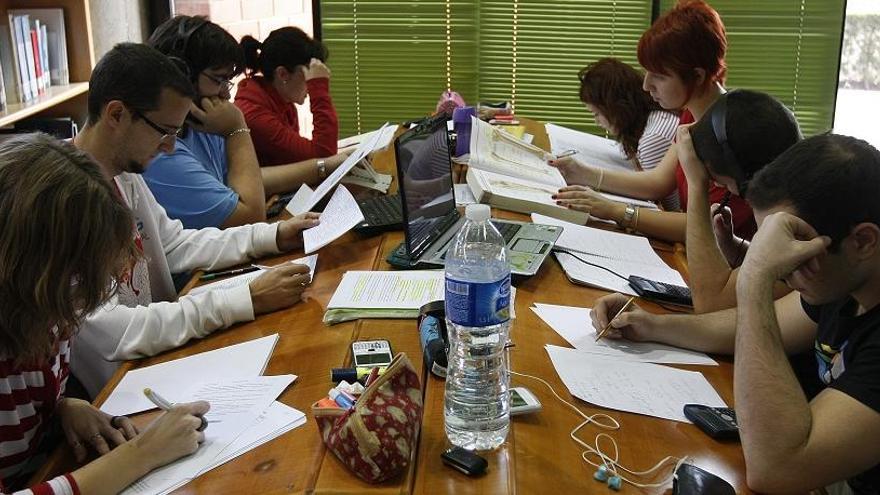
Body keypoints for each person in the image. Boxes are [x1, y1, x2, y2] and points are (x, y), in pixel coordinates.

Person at [591, 134, 880, 494]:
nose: (785, 270)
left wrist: (756, 279)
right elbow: (748, 325)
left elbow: (775, 469)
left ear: (864, 242)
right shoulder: (843, 284)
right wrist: (651, 325)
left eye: (795, 253)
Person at [71, 42, 319, 397]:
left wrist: (273, 236)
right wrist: (244, 299)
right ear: (116, 115)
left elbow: (175, 244)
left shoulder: (124, 174)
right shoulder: (64, 204)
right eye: (164, 131)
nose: (170, 147)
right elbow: (115, 330)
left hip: (155, 361)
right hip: (121, 392)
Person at [0, 132, 209, 494]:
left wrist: (60, 409)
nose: (78, 308)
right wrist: (143, 453)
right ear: (33, 269)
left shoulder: (42, 311)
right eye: (76, 279)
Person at [552, 0, 755, 243]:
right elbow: (657, 182)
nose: (646, 85)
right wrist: (583, 173)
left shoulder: (736, 131)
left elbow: (707, 225)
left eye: (659, 76)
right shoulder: (694, 112)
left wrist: (616, 211)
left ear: (697, 75)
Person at [143, 16, 350, 229]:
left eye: (228, 81)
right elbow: (250, 217)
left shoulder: (201, 124)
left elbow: (243, 179)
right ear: (180, 75)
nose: (226, 94)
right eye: (218, 79)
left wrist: (323, 167)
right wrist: (237, 129)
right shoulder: (161, 152)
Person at [679, 89, 802, 312]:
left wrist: (697, 185)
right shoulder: (796, 198)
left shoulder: (800, 222)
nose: (720, 188)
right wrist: (732, 244)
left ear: (748, 178)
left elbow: (710, 304)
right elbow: (773, 266)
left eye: (724, 184)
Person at [566, 57, 680, 210]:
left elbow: (665, 206)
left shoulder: (654, 138)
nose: (597, 122)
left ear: (616, 108)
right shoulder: (650, 120)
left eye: (597, 114)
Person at [235, 26, 339, 165]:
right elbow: (324, 156)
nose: (311, 82)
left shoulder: (283, 102)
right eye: (308, 75)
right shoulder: (254, 115)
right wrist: (318, 88)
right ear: (282, 74)